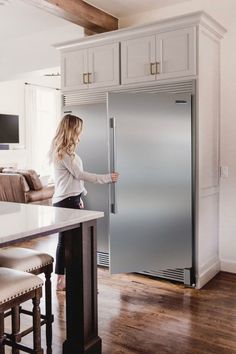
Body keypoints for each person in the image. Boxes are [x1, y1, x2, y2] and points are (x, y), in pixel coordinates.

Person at [49, 114, 119, 291]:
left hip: (70, 200)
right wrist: (107, 178)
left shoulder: (67, 152)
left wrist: (80, 197)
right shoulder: (64, 153)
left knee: (69, 241)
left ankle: (67, 279)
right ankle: (62, 281)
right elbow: (80, 175)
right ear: (72, 129)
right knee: (66, 241)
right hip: (66, 202)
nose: (81, 132)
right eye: (79, 128)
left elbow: (74, 181)